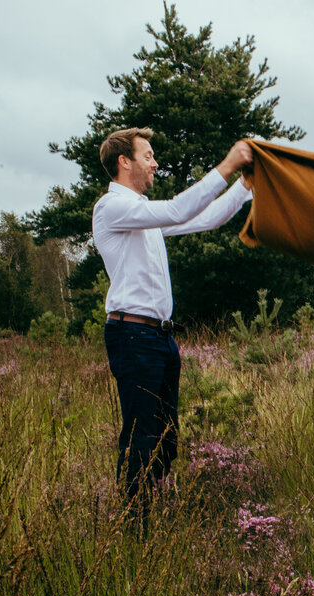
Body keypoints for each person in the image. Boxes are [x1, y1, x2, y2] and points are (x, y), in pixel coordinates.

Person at [93, 127, 254, 523]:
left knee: (166, 441)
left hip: (159, 337)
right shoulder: (112, 208)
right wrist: (229, 164)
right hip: (132, 335)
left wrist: (244, 186)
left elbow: (206, 219)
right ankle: (135, 529)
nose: (155, 163)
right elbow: (180, 209)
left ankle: (153, 515)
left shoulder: (142, 216)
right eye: (148, 156)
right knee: (141, 438)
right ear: (123, 161)